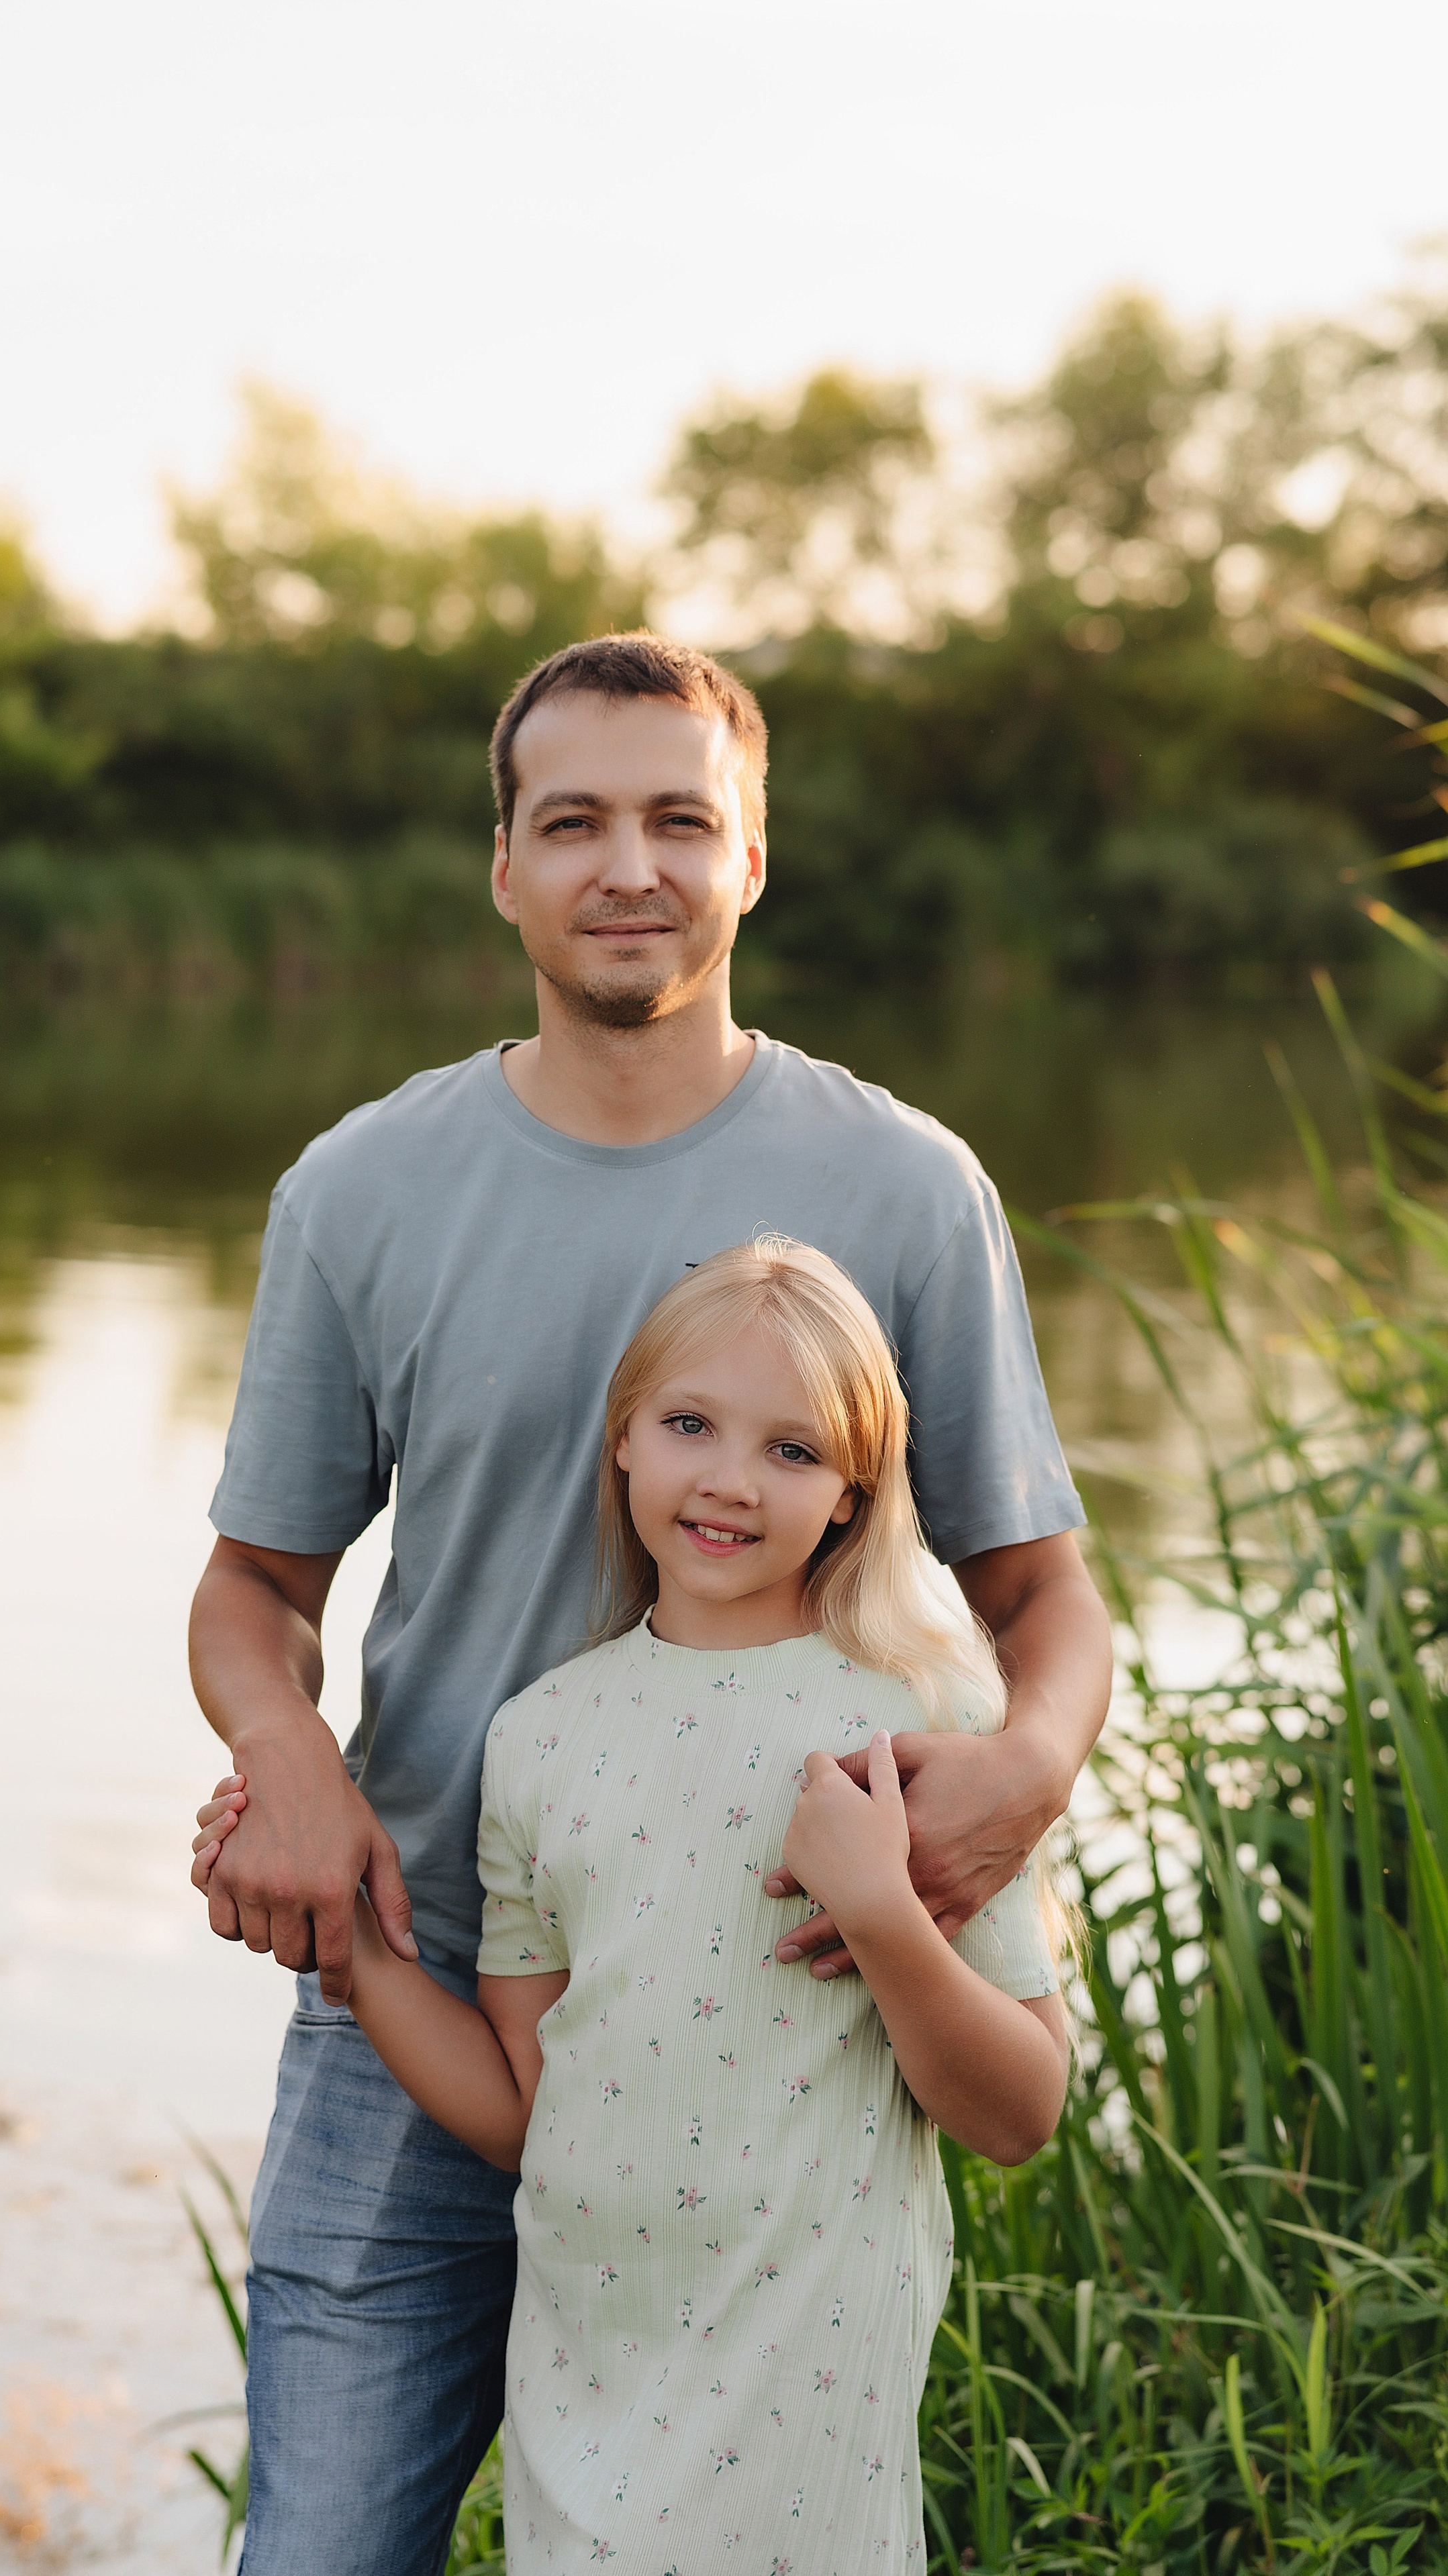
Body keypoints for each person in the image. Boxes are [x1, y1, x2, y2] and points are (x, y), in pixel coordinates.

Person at [187, 631, 1111, 2574]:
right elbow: (256, 1585)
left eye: (681, 817)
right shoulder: (360, 1188)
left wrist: (1020, 1770)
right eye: (575, 818)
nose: (631, 863)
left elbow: (1047, 1593)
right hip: (422, 1983)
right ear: (504, 864)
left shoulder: (908, 1185)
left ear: (751, 858)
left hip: (760, 2030)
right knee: (320, 2549)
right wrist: (287, 1753)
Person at [195, 1240, 1072, 2574]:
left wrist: (882, 1915)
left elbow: (1020, 2110)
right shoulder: (542, 1737)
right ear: (621, 1440)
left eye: (790, 1450)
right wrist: (349, 1943)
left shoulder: (918, 1726)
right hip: (586, 2360)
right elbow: (523, 2113)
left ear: (851, 1491)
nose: (727, 1477)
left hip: (801, 2364)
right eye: (688, 1424)